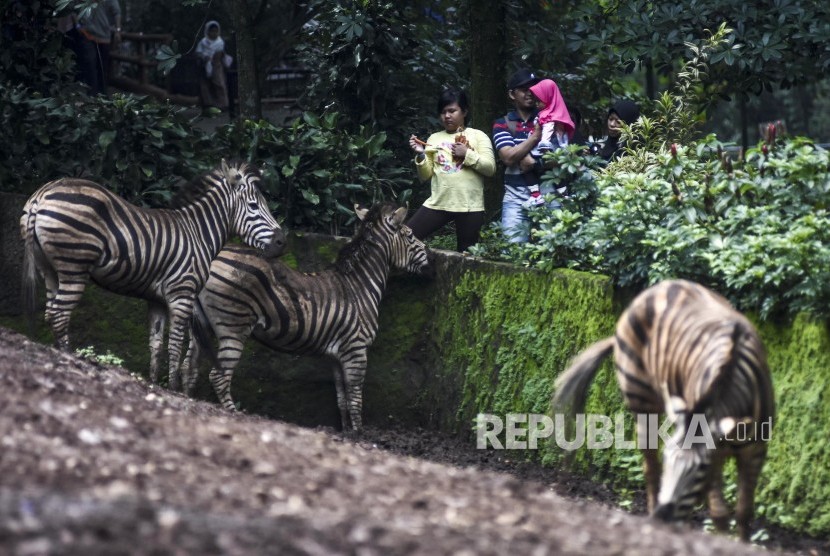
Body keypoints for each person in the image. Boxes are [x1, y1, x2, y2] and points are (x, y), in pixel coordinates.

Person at [407, 88, 496, 252]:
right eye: (442, 112)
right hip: (439, 203)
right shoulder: (434, 138)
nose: (447, 116)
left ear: (465, 111)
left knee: (466, 255)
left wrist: (467, 154)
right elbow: (425, 176)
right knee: (404, 239)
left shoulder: (478, 136)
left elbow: (490, 169)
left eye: (452, 111)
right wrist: (420, 155)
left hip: (470, 206)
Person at [492, 69, 555, 243]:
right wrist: (536, 137)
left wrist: (533, 162)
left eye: (534, 88)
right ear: (512, 94)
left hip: (548, 198)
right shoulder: (502, 123)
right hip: (515, 201)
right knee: (512, 255)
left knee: (550, 256)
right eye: (524, 89)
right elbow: (508, 157)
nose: (530, 92)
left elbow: (560, 158)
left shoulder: (550, 120)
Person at [525, 78, 575, 205]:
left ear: (549, 97)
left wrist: (544, 145)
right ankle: (564, 195)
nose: (536, 104)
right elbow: (563, 137)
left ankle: (535, 194)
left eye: (538, 101)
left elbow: (547, 132)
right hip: (557, 150)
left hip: (545, 149)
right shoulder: (559, 115)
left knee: (528, 168)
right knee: (556, 174)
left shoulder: (548, 116)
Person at [75, 0, 122, 95]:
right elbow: (75, 9)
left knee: (102, 67)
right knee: (90, 64)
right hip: (87, 34)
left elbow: (117, 13)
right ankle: (92, 95)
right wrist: (78, 26)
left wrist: (118, 30)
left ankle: (103, 94)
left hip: (104, 36)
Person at [196, 20, 233, 112]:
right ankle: (208, 104)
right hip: (204, 66)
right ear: (207, 31)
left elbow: (222, 54)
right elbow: (198, 52)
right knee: (205, 86)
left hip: (217, 66)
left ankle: (223, 105)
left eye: (215, 31)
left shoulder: (220, 42)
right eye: (211, 31)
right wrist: (205, 57)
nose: (214, 33)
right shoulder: (203, 42)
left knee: (220, 84)